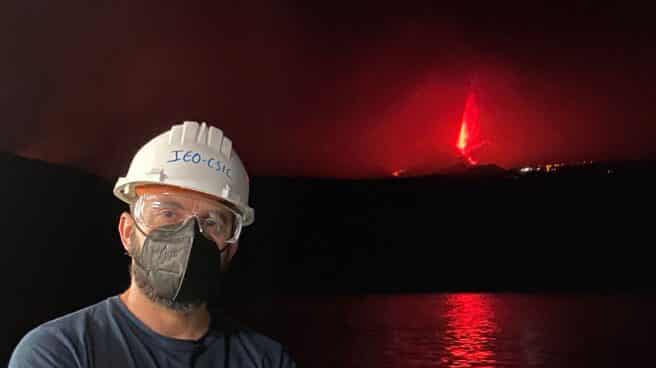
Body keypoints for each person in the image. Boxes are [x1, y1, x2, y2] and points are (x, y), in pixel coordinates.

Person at [9, 121, 296, 367]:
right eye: (167, 213)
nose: (190, 234)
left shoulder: (266, 360)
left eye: (211, 222)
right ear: (127, 231)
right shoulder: (61, 353)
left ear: (231, 249)